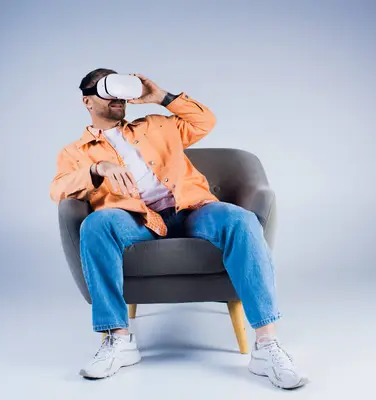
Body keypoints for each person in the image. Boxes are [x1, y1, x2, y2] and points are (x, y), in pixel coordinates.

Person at [49, 68, 308, 389]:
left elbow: (205, 121)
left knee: (242, 220)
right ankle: (118, 340)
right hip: (135, 218)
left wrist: (160, 97)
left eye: (119, 89)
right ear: (88, 101)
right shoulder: (75, 152)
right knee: (95, 225)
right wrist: (97, 168)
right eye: (106, 90)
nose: (116, 97)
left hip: (191, 208)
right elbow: (58, 189)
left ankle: (266, 346)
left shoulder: (156, 125)